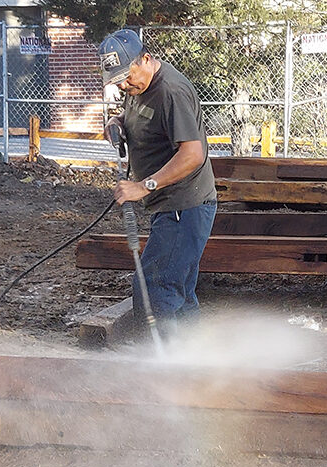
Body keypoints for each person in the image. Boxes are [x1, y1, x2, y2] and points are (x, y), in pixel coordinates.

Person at [98, 29, 217, 336]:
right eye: (117, 81)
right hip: (172, 207)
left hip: (184, 206)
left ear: (146, 60)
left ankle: (160, 366)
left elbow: (192, 154)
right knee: (179, 289)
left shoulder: (171, 92)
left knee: (155, 287)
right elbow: (136, 115)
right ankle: (191, 359)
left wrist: (143, 186)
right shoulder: (138, 87)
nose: (124, 85)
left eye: (126, 77)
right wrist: (117, 122)